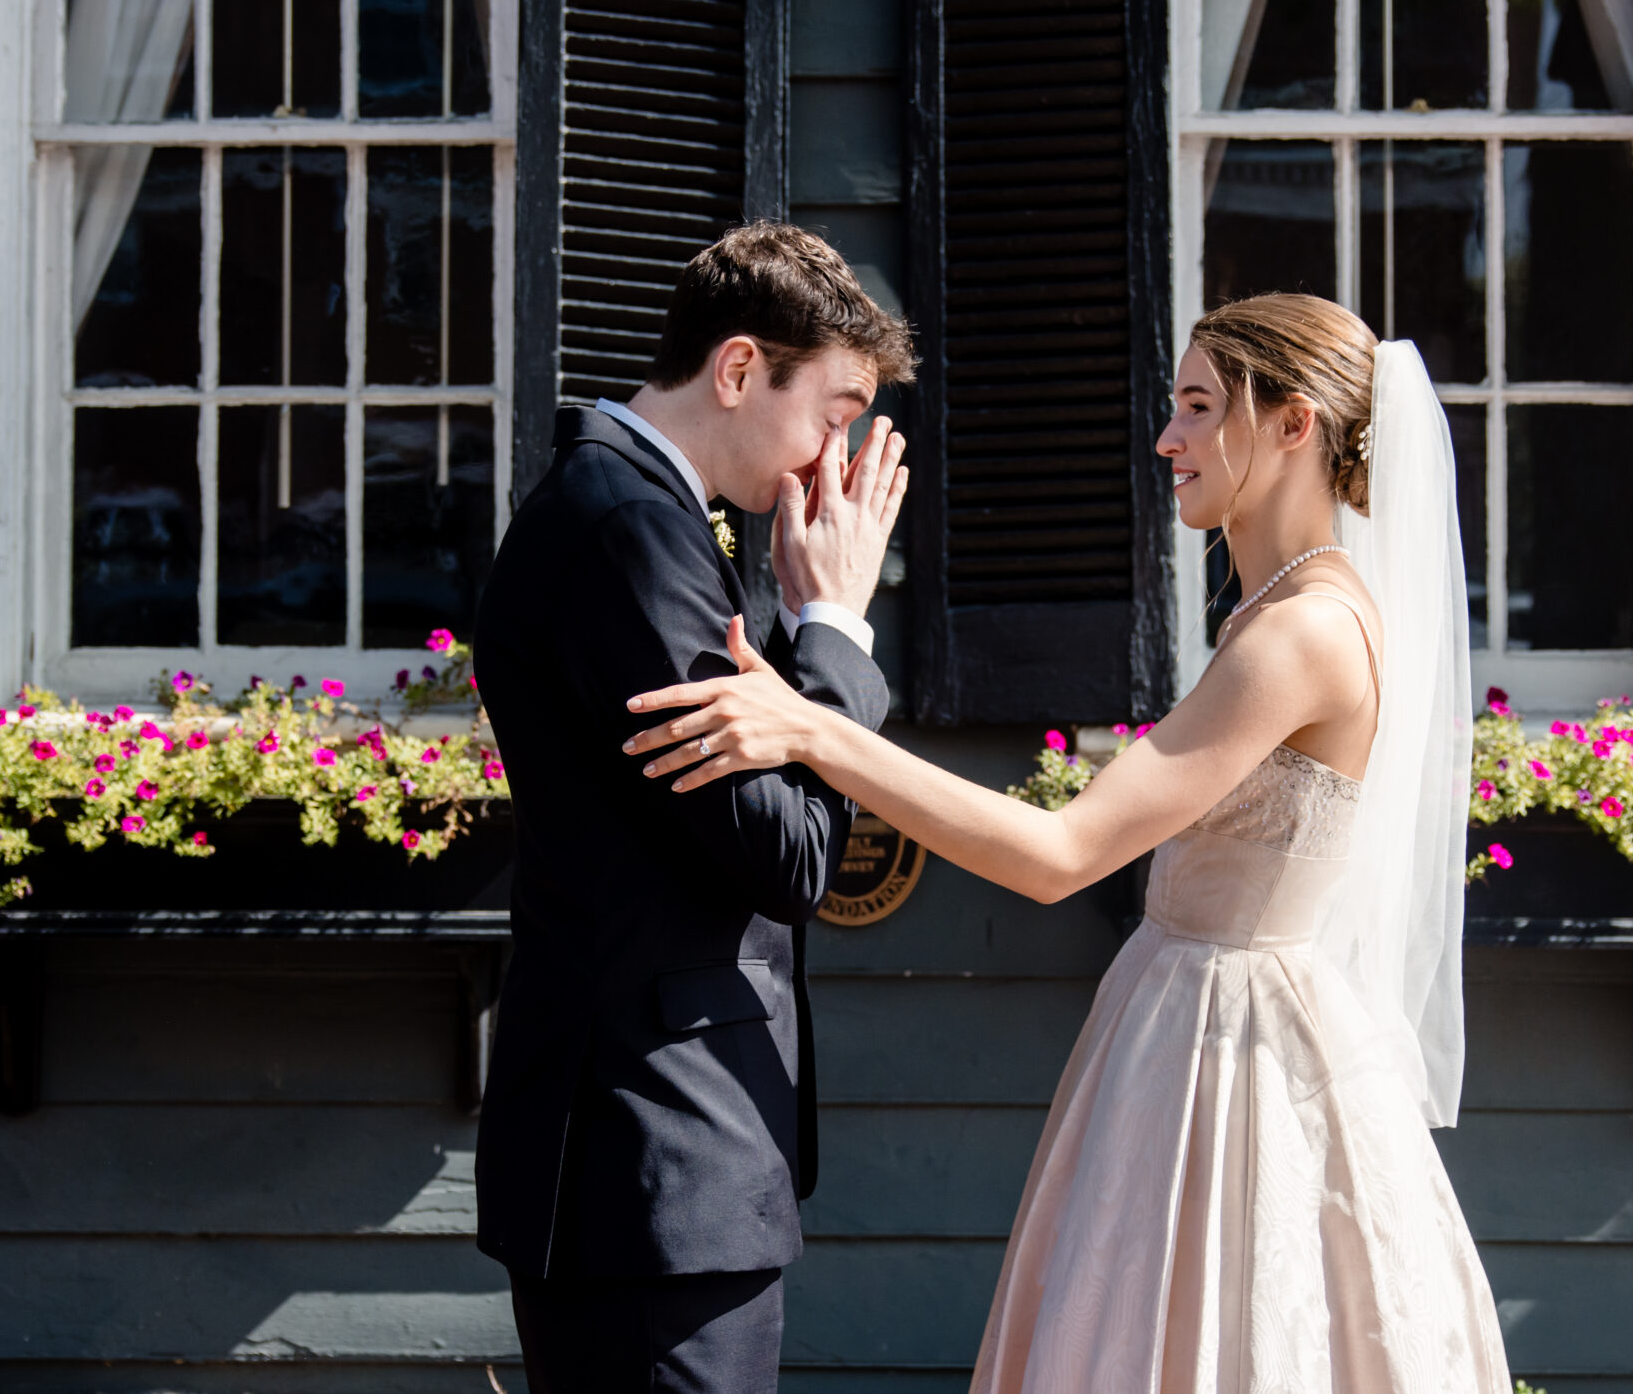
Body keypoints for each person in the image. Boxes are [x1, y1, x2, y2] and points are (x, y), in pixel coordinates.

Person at [622, 293, 1513, 1390]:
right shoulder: (1280, 608)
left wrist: (814, 728)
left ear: (1293, 426)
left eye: (1196, 407)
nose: (1166, 437)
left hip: (1230, 1057)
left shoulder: (1303, 631)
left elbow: (1059, 853)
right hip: (1179, 1024)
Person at [472, 222, 914, 1394]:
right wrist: (834, 627)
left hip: (656, 1153)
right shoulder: (631, 532)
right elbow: (788, 852)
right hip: (651, 1153)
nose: (838, 457)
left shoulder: (642, 516)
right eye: (833, 410)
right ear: (735, 371)